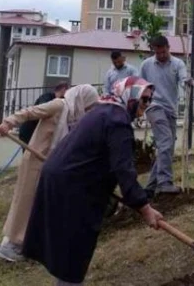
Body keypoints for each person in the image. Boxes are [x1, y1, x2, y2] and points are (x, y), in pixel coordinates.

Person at [22, 77, 163, 286]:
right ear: (130, 95)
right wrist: (145, 208)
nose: (146, 105)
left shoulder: (103, 110)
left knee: (67, 251)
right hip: (73, 187)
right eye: (143, 99)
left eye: (149, 100)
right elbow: (123, 169)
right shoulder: (117, 120)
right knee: (74, 250)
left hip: (61, 178)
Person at [0, 84, 98, 262]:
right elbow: (30, 112)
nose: (88, 110)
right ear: (82, 99)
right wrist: (8, 123)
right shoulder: (59, 105)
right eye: (89, 106)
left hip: (51, 165)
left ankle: (28, 243)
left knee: (41, 204)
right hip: (35, 161)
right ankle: (11, 245)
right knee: (25, 202)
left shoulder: (75, 117)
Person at [139, 34, 188, 194]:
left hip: (170, 110)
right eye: (157, 52)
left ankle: (150, 187)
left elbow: (183, 78)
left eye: (163, 52)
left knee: (167, 148)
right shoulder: (146, 65)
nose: (160, 56)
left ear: (168, 48)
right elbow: (140, 86)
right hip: (154, 107)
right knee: (166, 141)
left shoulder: (178, 64)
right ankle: (165, 183)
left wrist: (186, 82)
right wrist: (142, 104)